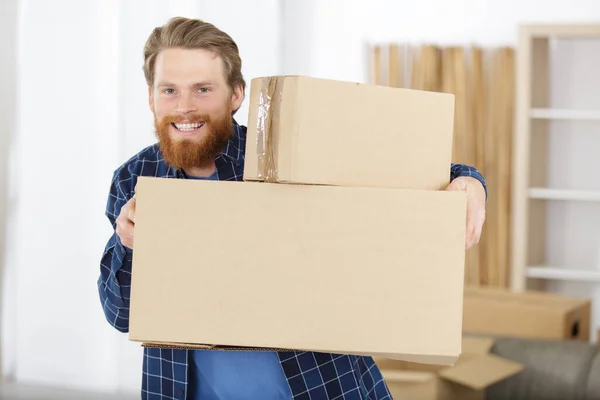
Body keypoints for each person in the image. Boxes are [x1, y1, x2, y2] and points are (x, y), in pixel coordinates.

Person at [97, 16, 488, 400]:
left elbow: (404, 171)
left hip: (320, 387)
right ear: (150, 97)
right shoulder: (134, 178)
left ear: (236, 95)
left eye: (202, 89)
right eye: (169, 90)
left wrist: (469, 180)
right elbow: (122, 315)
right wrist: (127, 244)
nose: (184, 107)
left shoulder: (281, 152)